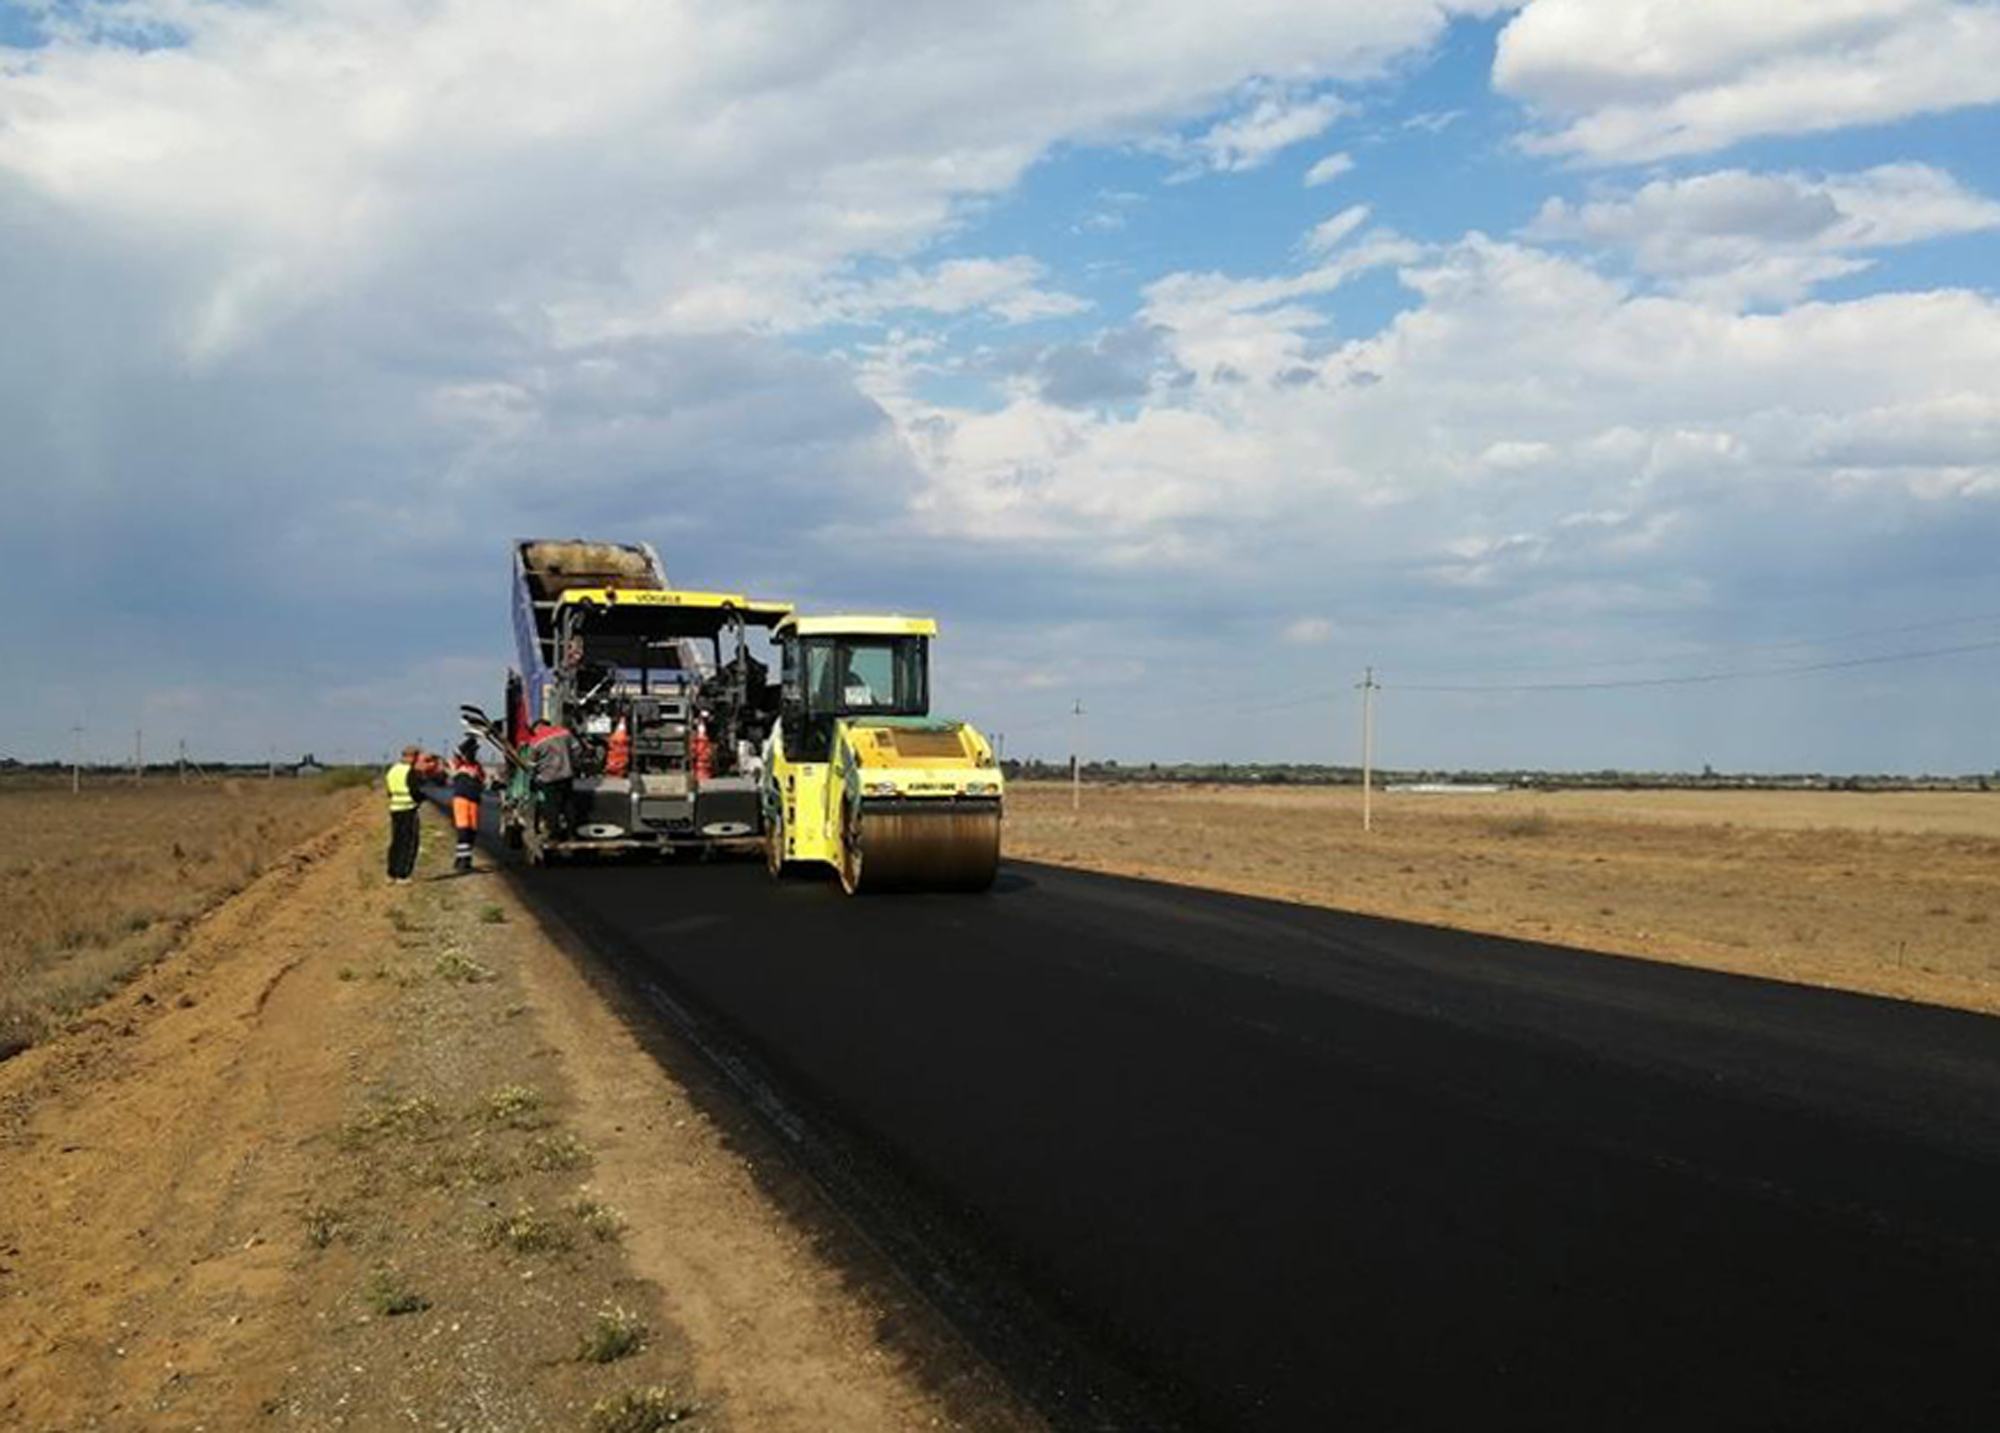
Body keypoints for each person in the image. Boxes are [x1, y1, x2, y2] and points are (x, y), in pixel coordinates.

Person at [384, 745, 441, 883]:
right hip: (408, 809)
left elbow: (389, 791)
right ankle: (403, 875)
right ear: (412, 756)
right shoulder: (409, 771)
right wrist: (424, 798)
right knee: (409, 843)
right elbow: (415, 792)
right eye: (417, 757)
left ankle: (391, 873)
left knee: (396, 842)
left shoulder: (393, 769)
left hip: (395, 809)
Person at [526, 720, 579, 840]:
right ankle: (572, 834)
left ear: (536, 728)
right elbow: (577, 749)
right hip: (567, 776)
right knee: (568, 805)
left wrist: (534, 778)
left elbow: (531, 765)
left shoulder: (536, 741)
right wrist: (572, 764)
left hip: (549, 779)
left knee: (552, 808)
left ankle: (555, 835)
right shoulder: (564, 732)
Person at [448, 737, 484, 874]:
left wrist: (476, 776)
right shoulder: (458, 764)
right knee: (463, 830)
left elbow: (482, 779)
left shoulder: (476, 766)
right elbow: (455, 759)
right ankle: (463, 861)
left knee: (471, 832)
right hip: (461, 800)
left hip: (474, 801)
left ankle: (464, 858)